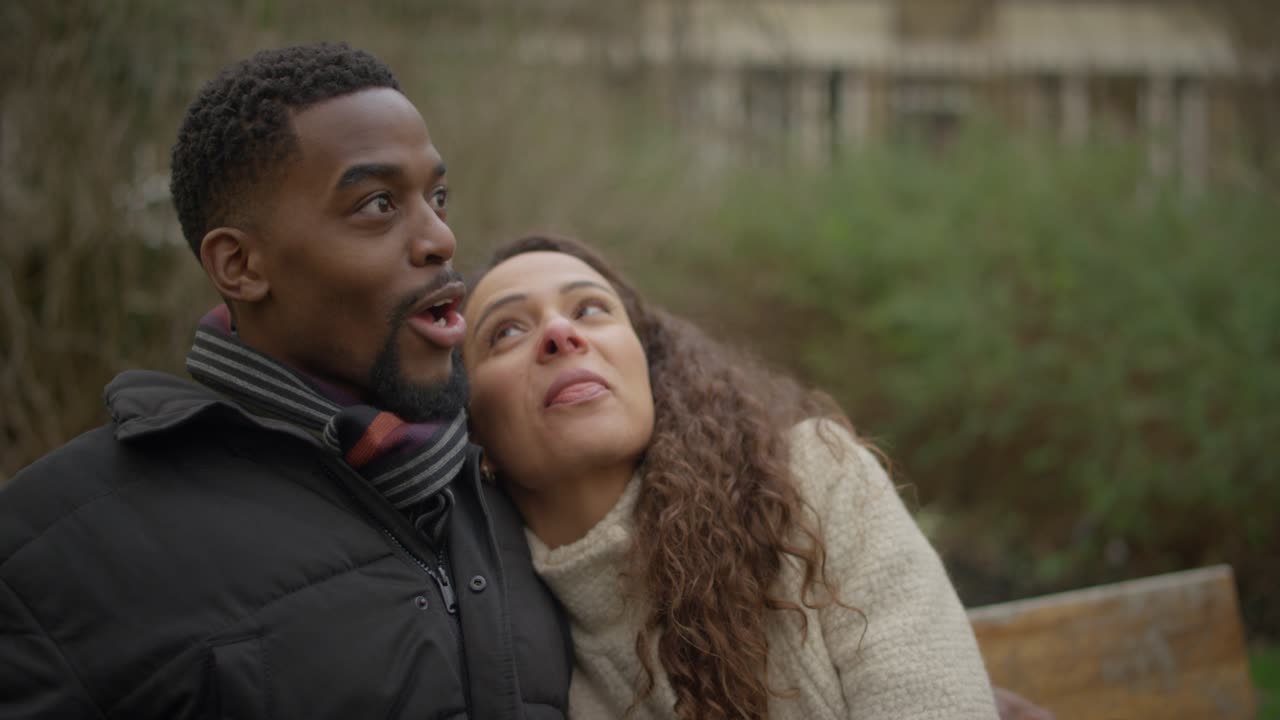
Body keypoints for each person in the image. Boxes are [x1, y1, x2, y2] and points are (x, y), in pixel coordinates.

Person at [0, 44, 569, 719]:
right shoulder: (59, 550)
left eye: (437, 197)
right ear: (240, 265)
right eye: (378, 204)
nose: (440, 237)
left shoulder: (517, 484)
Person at [460, 235, 1001, 720]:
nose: (560, 333)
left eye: (591, 309)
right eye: (506, 331)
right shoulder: (493, 645)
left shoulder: (814, 480)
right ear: (472, 429)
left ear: (651, 367)